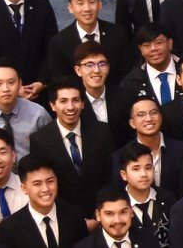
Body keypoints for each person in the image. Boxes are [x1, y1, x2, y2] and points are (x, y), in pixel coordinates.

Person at [31, 77, 118, 209]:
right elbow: (44, 183)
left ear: (82, 103)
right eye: (63, 101)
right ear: (53, 105)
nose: (70, 107)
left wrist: (100, 211)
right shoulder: (40, 140)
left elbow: (111, 174)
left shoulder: (102, 132)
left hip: (101, 210)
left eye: (75, 100)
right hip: (63, 214)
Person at [45, 0, 136, 85]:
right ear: (70, 8)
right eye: (80, 3)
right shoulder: (59, 42)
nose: (87, 8)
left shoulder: (117, 33)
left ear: (100, 4)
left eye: (91, 2)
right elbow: (61, 82)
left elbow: (126, 74)